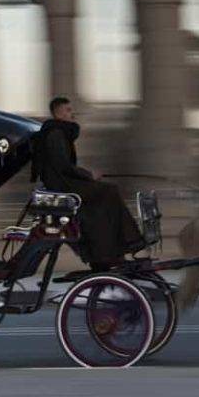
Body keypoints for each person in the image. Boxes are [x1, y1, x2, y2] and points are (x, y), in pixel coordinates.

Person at [31, 97, 146, 270]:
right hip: (63, 185)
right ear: (58, 113)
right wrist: (88, 175)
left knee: (104, 198)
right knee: (109, 191)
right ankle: (128, 244)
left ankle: (111, 252)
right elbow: (63, 166)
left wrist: (87, 175)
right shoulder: (56, 134)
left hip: (64, 182)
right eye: (68, 110)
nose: (72, 113)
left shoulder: (58, 132)